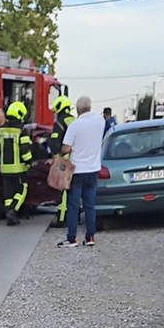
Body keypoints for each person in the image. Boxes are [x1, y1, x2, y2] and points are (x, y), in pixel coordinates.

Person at [57, 96, 105, 247]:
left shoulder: (75, 125)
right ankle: (90, 237)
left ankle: (72, 238)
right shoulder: (100, 121)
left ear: (78, 109)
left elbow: (66, 147)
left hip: (77, 171)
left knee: (73, 205)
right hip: (93, 170)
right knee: (90, 205)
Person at [0, 101, 33, 226]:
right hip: (19, 168)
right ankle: (13, 211)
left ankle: (10, 215)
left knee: (8, 194)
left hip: (5, 168)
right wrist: (29, 162)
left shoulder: (1, 130)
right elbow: (25, 150)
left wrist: (0, 152)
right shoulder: (22, 130)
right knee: (22, 189)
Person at [47, 95, 75, 229]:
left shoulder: (59, 122)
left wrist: (53, 153)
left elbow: (54, 141)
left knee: (62, 188)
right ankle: (72, 215)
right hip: (75, 158)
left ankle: (61, 217)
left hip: (64, 159)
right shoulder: (74, 120)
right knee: (72, 188)